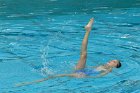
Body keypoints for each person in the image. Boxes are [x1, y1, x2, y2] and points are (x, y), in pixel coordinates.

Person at [16, 18, 121, 87]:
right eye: (113, 60)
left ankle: (27, 83)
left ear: (115, 66)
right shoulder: (103, 65)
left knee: (58, 76)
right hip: (83, 70)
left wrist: (85, 77)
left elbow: (97, 77)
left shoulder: (109, 70)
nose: (112, 61)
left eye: (114, 62)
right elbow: (94, 70)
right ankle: (88, 30)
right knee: (84, 55)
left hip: (82, 74)